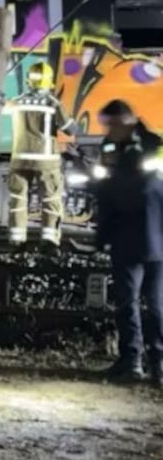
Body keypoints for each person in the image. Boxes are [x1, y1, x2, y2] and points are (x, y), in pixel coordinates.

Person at [93, 99, 163, 385]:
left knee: (152, 303)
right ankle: (133, 361)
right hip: (136, 235)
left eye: (110, 124)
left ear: (125, 120)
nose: (107, 131)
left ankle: (153, 362)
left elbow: (142, 188)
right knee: (129, 303)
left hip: (145, 233)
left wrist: (105, 183)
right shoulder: (111, 146)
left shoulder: (153, 145)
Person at [6, 62, 75, 247]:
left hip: (19, 159)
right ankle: (49, 241)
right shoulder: (53, 103)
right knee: (51, 198)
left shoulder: (17, 101)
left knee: (18, 199)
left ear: (29, 80)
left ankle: (16, 240)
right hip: (46, 161)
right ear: (49, 81)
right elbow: (70, 129)